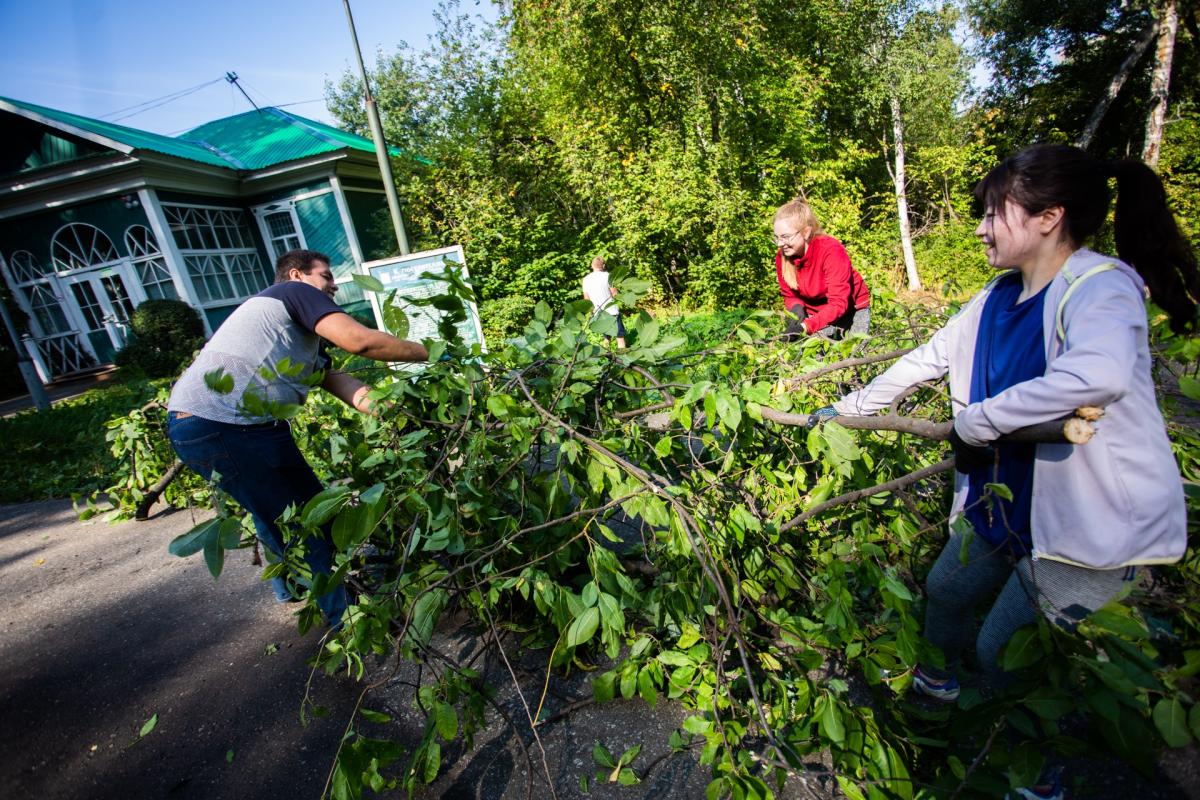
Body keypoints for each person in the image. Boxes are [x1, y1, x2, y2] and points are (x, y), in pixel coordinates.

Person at [809, 145, 1196, 799]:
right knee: (948, 589)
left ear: (1049, 218)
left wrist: (980, 422)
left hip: (1088, 524)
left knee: (1004, 651)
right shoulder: (996, 297)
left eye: (994, 213)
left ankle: (1032, 776)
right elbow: (925, 360)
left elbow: (1097, 374)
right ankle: (937, 701)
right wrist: (844, 411)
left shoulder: (1100, 287)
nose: (982, 227)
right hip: (1005, 499)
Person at [166, 249, 429, 627]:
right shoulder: (294, 294)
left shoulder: (296, 333)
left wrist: (405, 416)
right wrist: (432, 352)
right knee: (308, 526)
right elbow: (362, 342)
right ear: (296, 275)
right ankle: (348, 622)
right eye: (326, 276)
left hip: (246, 427)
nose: (333, 285)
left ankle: (289, 586)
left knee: (296, 507)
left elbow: (342, 384)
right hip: (219, 426)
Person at [773, 197, 870, 339]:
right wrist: (796, 308)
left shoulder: (830, 250)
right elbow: (789, 295)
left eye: (786, 237)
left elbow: (838, 303)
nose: (780, 244)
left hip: (851, 309)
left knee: (852, 358)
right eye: (777, 237)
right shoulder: (782, 257)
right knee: (818, 358)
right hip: (817, 313)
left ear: (806, 232)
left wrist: (805, 327)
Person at [582, 255, 626, 348]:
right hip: (611, 311)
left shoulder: (586, 279)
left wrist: (591, 312)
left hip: (598, 313)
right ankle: (623, 359)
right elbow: (615, 294)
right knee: (620, 337)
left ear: (592, 265)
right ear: (604, 265)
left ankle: (606, 358)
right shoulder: (608, 276)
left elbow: (586, 300)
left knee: (606, 338)